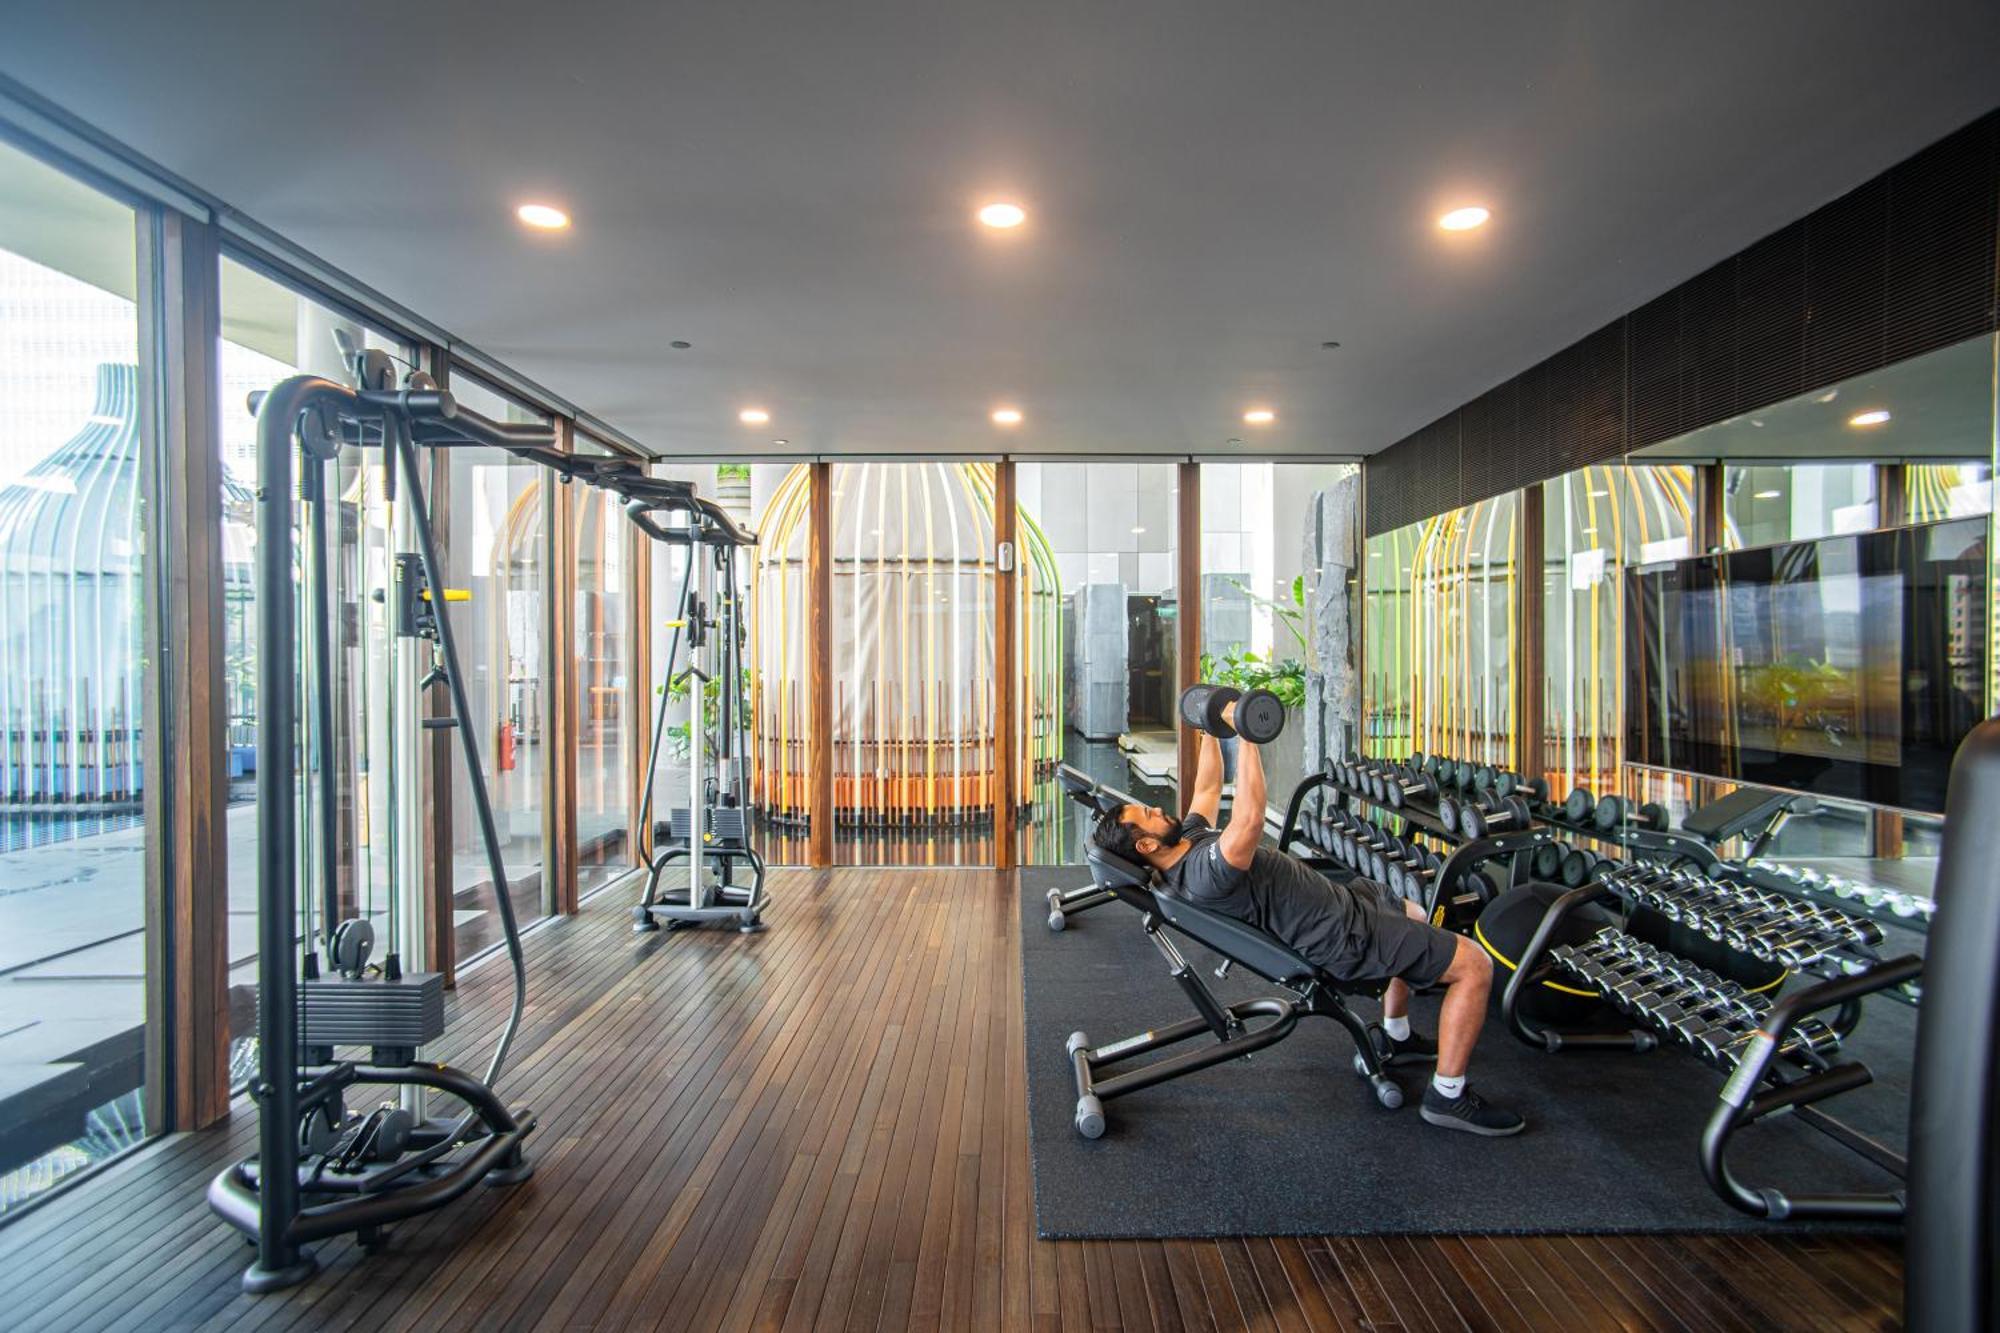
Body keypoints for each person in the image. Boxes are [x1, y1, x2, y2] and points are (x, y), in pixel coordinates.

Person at [1089, 707, 1524, 1136]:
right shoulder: (1204, 874)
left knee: (1415, 915)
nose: (1157, 811)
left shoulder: (1185, 841)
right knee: (1473, 965)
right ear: (1146, 845)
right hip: (1341, 937)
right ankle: (1447, 1096)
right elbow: (1249, 818)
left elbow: (1206, 788)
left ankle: (1395, 1035)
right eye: (1147, 816)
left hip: (1343, 904)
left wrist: (1208, 724)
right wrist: (1247, 734)